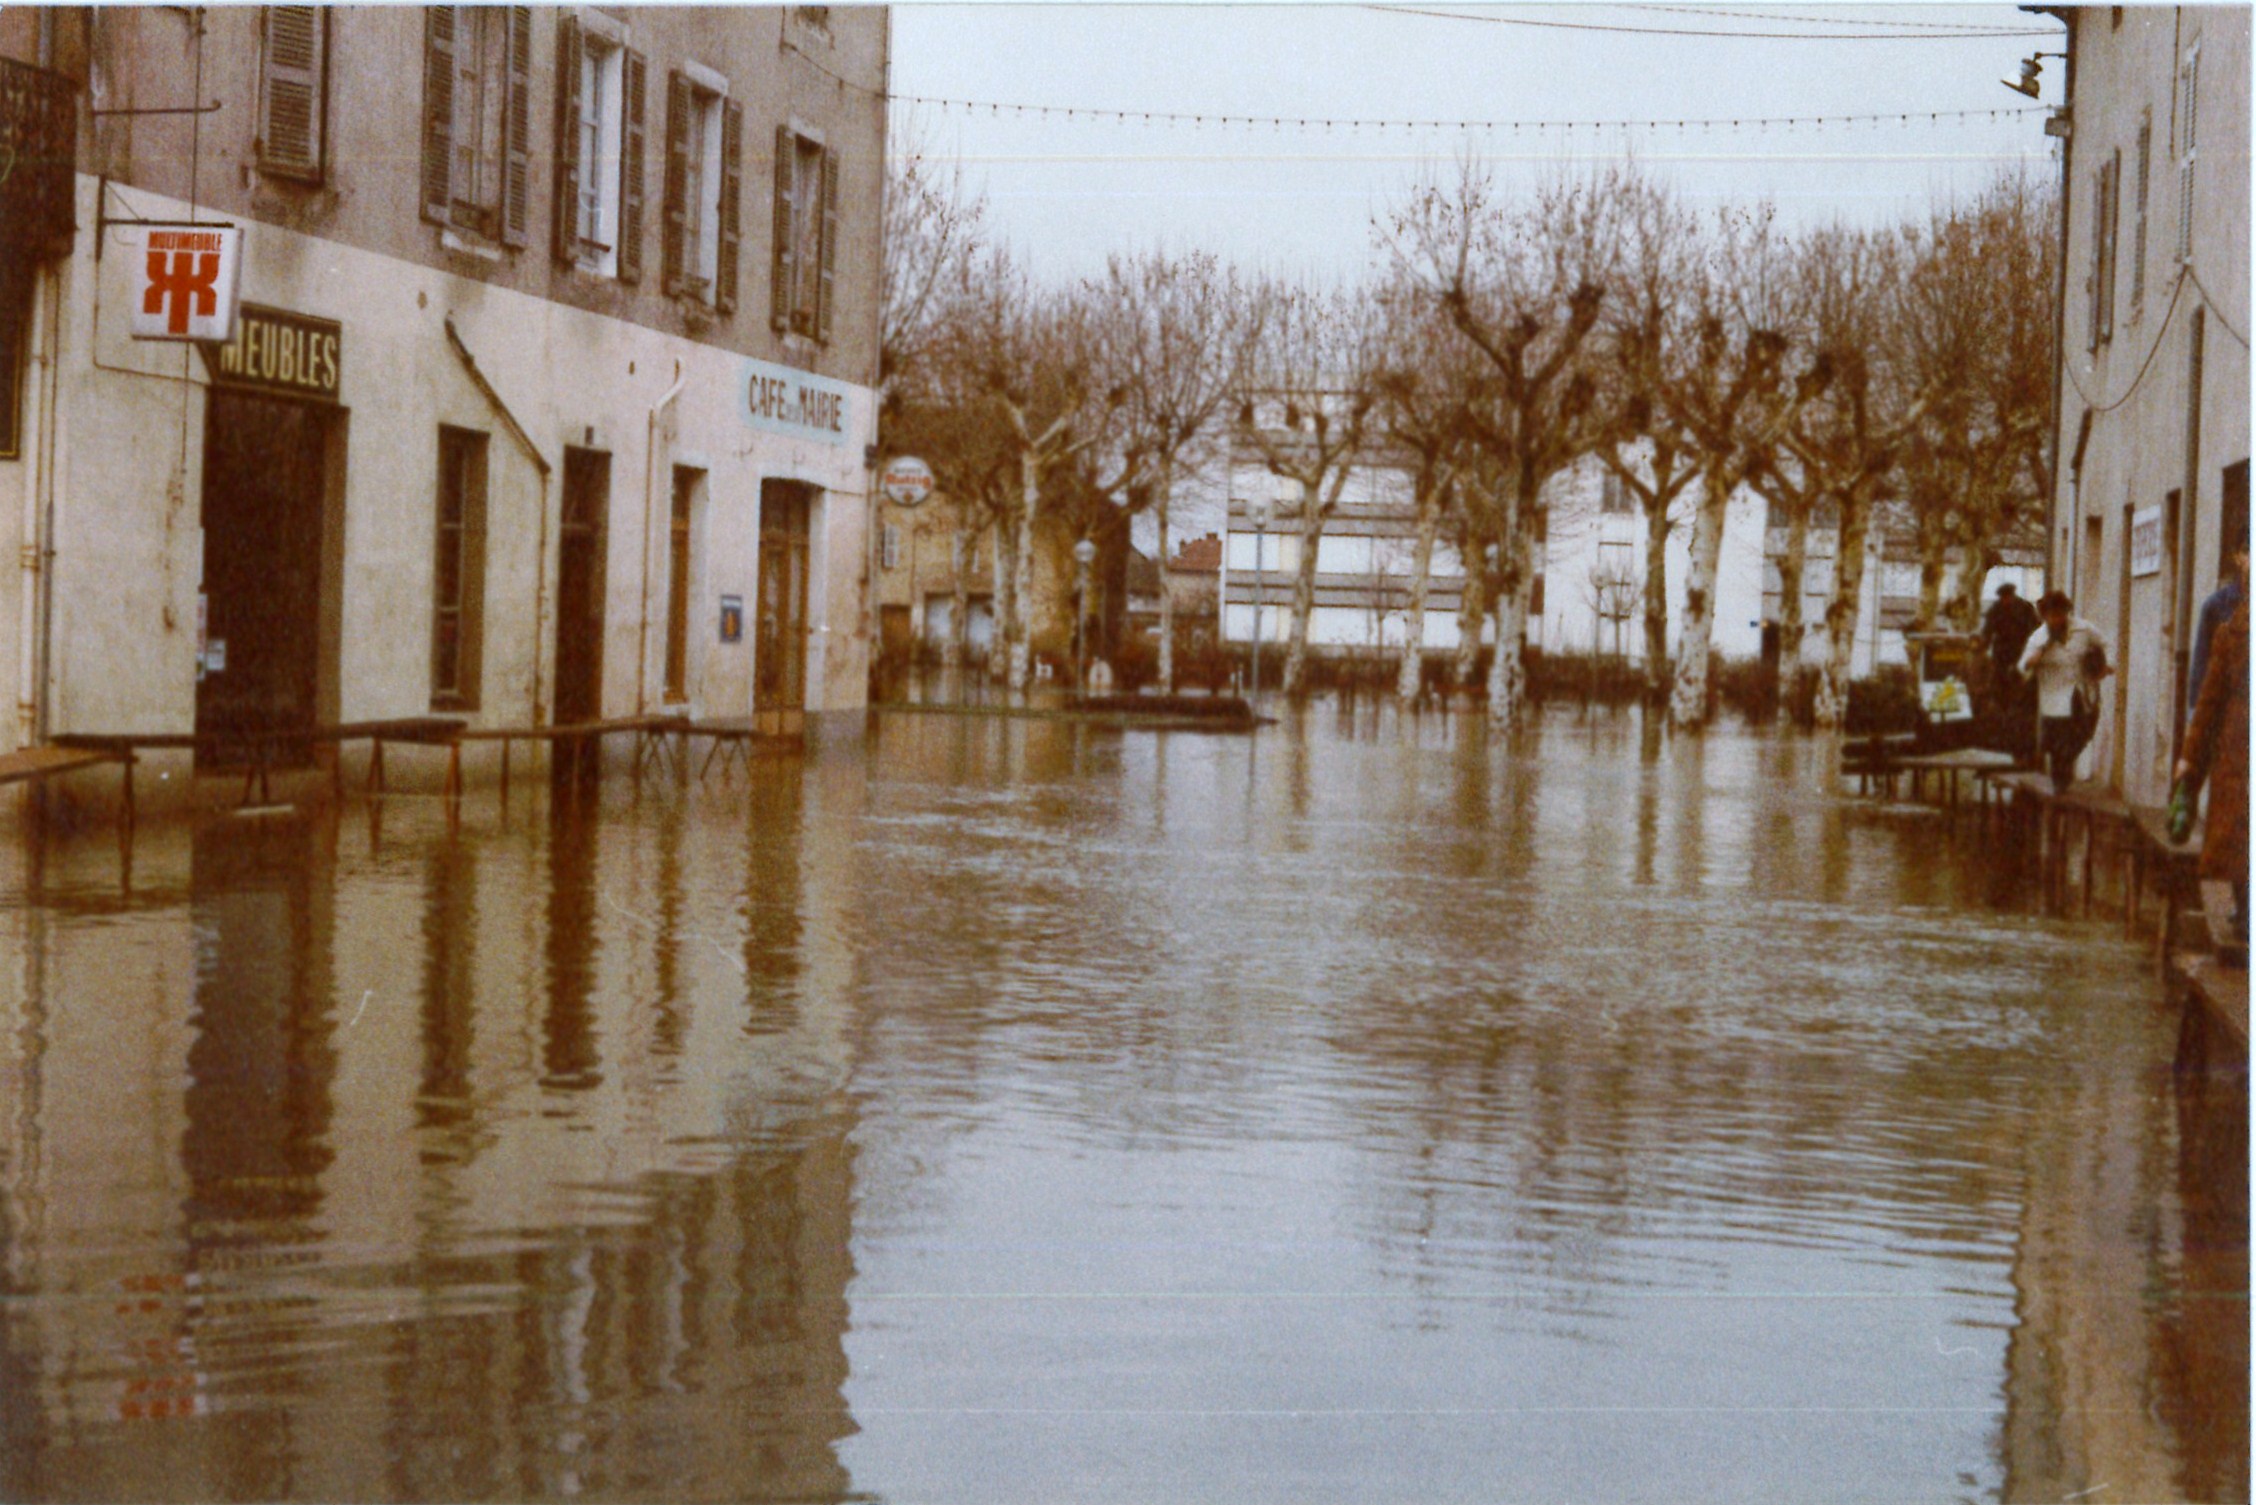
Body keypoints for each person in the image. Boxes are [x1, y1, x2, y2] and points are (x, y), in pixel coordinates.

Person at [2176, 596, 2248, 939]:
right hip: (2239, 749)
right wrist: (2190, 758)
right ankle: (2245, 910)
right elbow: (2209, 701)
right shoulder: (2233, 632)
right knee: (2239, 833)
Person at [2018, 591, 2112, 793]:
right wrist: (2032, 659)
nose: (2055, 619)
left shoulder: (2084, 629)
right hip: (2053, 697)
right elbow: (2022, 666)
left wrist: (2107, 666)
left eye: (2059, 614)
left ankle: (2063, 775)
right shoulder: (2039, 638)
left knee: (2083, 734)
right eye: (2050, 615)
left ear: (2066, 612)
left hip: (2081, 692)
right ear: (2044, 615)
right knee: (2057, 745)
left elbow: (2106, 644)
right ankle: (2060, 785)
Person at [2184, 533, 2248, 733]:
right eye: (2247, 551)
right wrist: (2196, 716)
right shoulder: (2216, 606)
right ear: (2237, 557)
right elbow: (2201, 664)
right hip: (2227, 716)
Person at [1981, 582, 2041, 688]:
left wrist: (2034, 647)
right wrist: (1983, 648)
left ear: (2013, 595)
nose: (2005, 600)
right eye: (2003, 597)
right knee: (2000, 679)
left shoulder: (2025, 607)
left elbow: (2035, 628)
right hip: (2001, 650)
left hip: (2020, 647)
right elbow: (1988, 630)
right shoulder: (1996, 608)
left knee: (2020, 677)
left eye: (2008, 596)